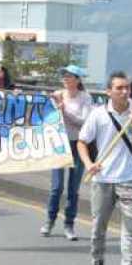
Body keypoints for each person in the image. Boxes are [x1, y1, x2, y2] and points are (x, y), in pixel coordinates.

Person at [78, 71, 132, 265]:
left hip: (129, 178)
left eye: (127, 88)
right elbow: (82, 142)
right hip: (102, 179)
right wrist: (88, 163)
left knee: (131, 228)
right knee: (98, 226)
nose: (124, 92)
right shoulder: (98, 114)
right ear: (108, 91)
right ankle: (97, 263)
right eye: (119, 88)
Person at [41, 65, 92, 240]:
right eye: (64, 75)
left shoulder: (85, 98)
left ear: (77, 80)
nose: (65, 78)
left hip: (78, 145)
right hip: (59, 144)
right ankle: (49, 220)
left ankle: (69, 224)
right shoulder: (57, 94)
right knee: (56, 187)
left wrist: (65, 111)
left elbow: (84, 122)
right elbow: (42, 112)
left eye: (69, 76)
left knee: (73, 188)